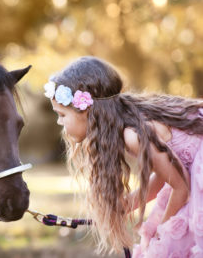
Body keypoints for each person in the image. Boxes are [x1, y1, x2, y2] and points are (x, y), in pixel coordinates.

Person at [43, 56, 203, 257]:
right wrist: (128, 203)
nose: (59, 122)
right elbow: (166, 175)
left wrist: (162, 232)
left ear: (87, 111)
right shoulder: (128, 124)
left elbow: (181, 186)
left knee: (166, 247)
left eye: (62, 115)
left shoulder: (132, 135)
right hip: (190, 175)